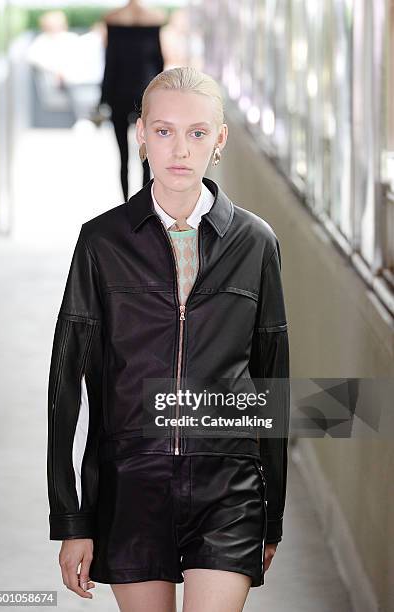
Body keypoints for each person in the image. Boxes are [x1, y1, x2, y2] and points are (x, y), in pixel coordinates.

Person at [47, 66, 290, 612]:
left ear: (219, 140)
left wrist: (270, 514)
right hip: (130, 484)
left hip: (227, 488)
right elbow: (66, 390)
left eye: (197, 133)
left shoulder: (255, 244)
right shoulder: (100, 242)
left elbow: (273, 386)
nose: (180, 149)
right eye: (163, 131)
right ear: (140, 134)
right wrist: (71, 518)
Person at [99, 0, 167, 200]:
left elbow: (110, 64)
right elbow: (159, 64)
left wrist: (103, 97)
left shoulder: (113, 20)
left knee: (124, 156)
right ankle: (144, 205)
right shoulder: (153, 20)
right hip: (145, 94)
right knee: (147, 155)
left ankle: (126, 205)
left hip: (119, 93)